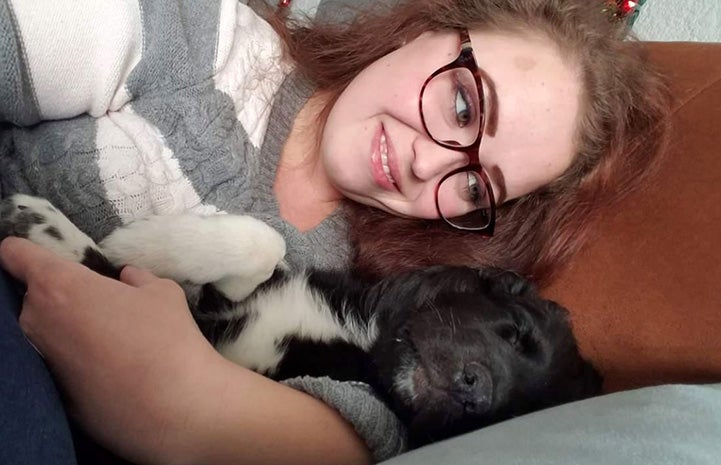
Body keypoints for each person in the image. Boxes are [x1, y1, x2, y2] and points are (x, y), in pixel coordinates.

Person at [0, 0, 671, 463]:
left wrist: (183, 408)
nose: (425, 159)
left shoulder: (360, 292)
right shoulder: (200, 45)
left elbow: (363, 430)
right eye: (462, 102)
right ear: (428, 30)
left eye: (474, 185)